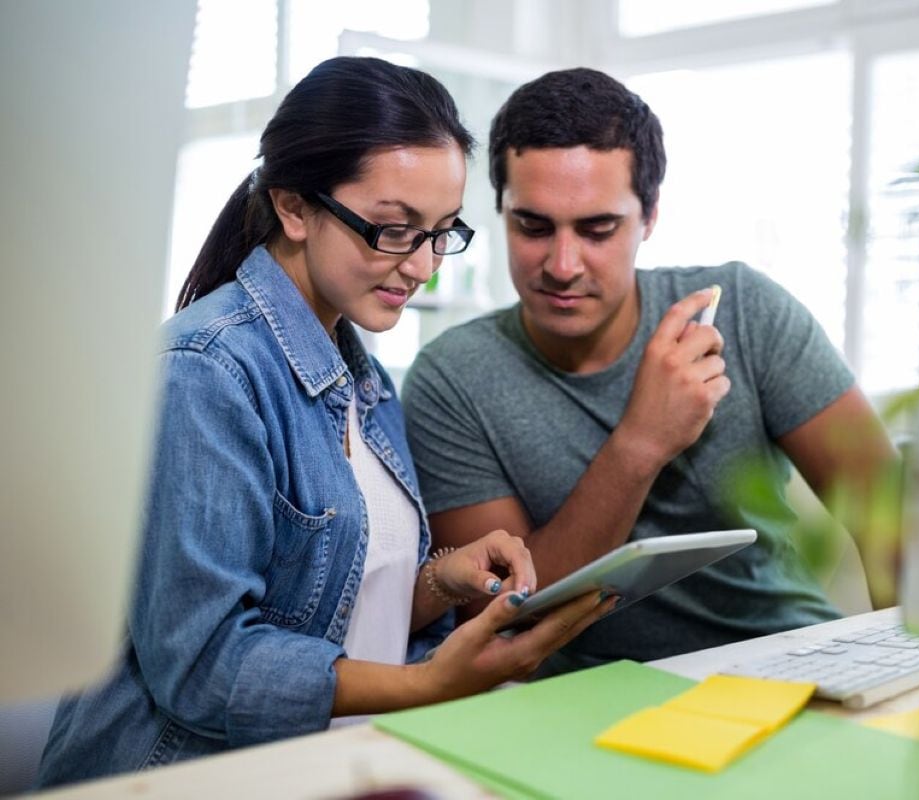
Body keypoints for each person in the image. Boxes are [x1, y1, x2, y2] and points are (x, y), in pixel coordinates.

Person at [37, 57, 614, 788]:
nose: (425, 267)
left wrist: (441, 580)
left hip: (326, 768)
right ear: (294, 207)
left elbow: (329, 609)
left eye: (442, 232)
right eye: (394, 230)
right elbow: (206, 665)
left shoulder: (359, 373)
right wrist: (430, 684)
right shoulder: (206, 370)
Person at [400, 67, 902, 675]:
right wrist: (642, 441)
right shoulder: (452, 378)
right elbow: (513, 609)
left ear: (650, 217)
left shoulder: (744, 312)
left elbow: (890, 524)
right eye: (532, 226)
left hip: (787, 666)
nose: (562, 264)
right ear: (501, 210)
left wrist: (906, 681)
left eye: (597, 229)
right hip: (582, 704)